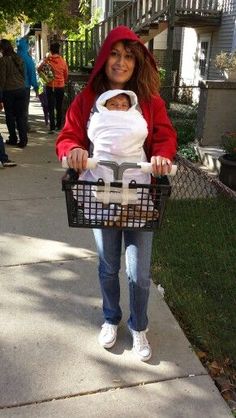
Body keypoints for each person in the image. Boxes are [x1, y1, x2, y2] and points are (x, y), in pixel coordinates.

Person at [56, 26, 177, 362]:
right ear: (103, 56)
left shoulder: (151, 103)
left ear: (136, 63)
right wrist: (75, 149)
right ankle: (111, 317)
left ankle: (139, 326)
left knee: (139, 271)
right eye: (115, 53)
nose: (121, 62)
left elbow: (165, 136)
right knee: (109, 265)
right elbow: (68, 137)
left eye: (128, 56)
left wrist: (163, 155)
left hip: (140, 197)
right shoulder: (86, 101)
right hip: (101, 196)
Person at [0, 39, 28, 148]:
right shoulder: (18, 58)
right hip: (21, 89)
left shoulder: (3, 61)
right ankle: (23, 140)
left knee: (10, 116)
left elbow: (2, 79)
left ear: (2, 49)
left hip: (9, 91)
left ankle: (13, 138)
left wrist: (0, 95)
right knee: (21, 116)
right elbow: (23, 74)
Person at [37, 42, 68, 134]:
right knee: (59, 106)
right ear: (59, 50)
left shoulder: (47, 61)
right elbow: (66, 74)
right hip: (60, 86)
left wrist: (46, 59)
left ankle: (52, 127)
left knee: (51, 106)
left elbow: (38, 69)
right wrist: (62, 81)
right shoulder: (63, 61)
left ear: (50, 50)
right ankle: (59, 126)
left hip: (50, 86)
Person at [16, 37, 39, 132]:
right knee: (24, 108)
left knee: (16, 108)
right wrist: (36, 87)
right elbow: (32, 73)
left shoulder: (14, 56)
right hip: (24, 87)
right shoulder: (27, 58)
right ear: (26, 45)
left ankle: (17, 126)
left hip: (12, 87)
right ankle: (24, 127)